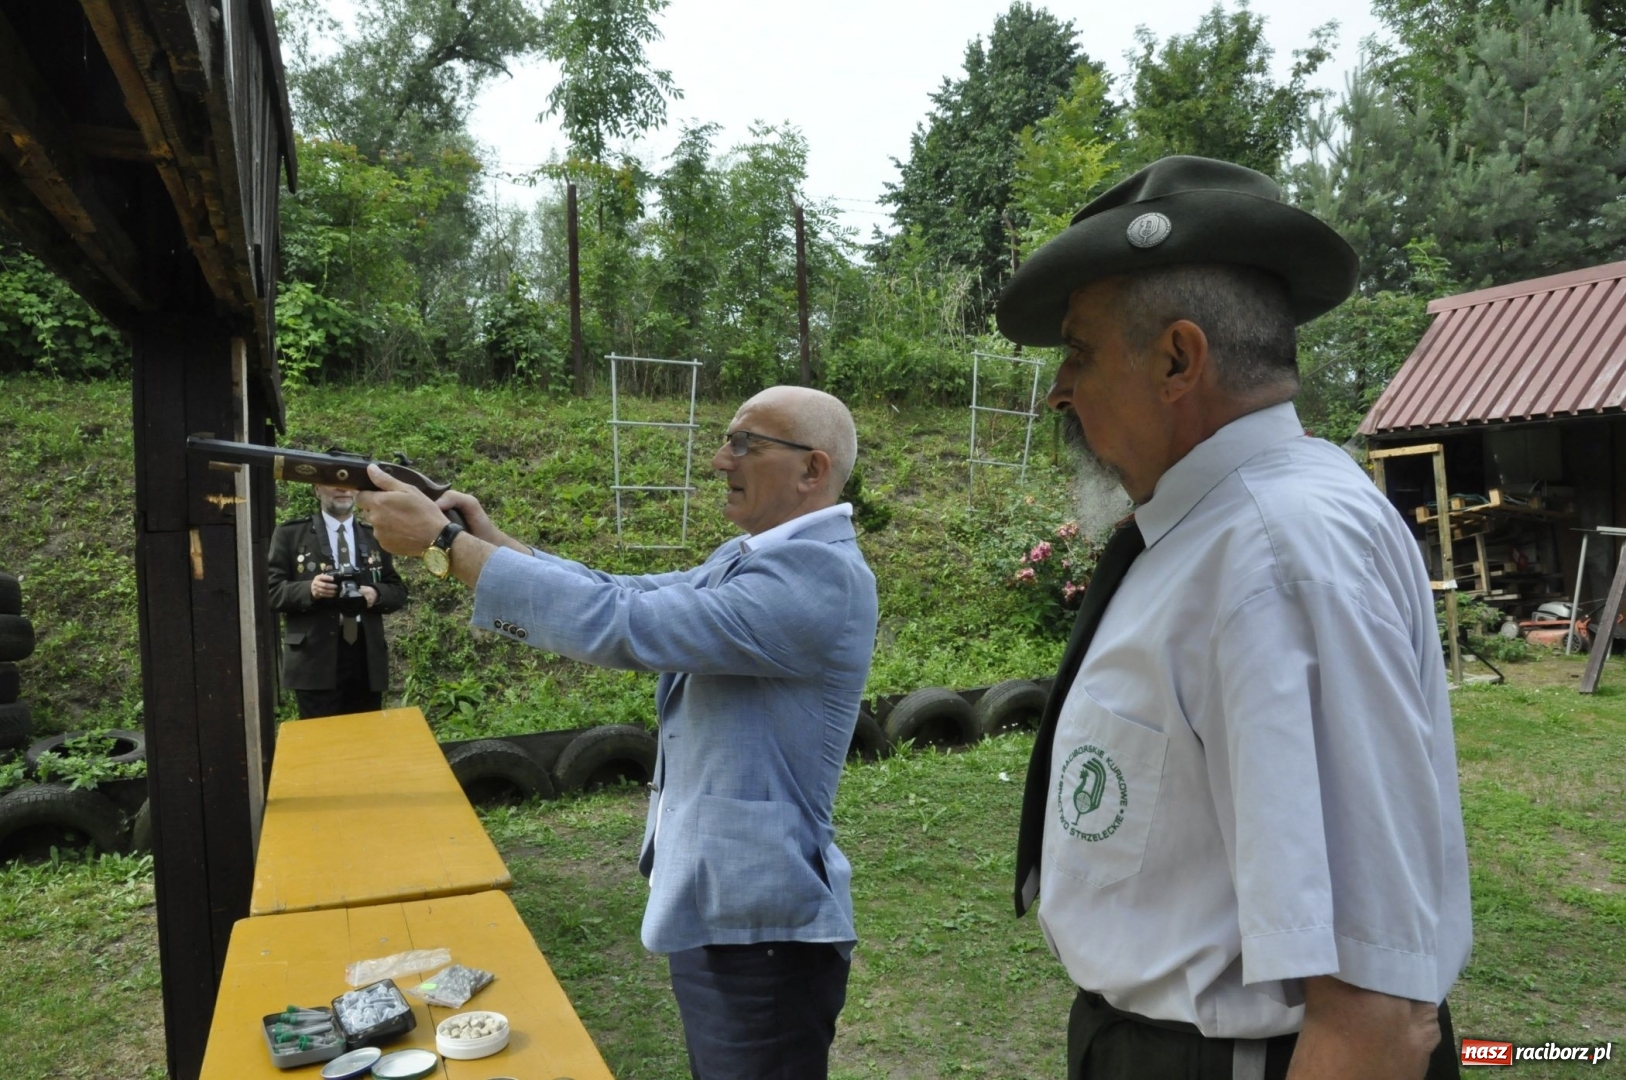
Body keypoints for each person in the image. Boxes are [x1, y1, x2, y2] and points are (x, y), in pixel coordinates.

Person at [996, 156, 1471, 1080]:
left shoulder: (1275, 556)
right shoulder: (1223, 529)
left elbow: (1374, 1018)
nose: (1058, 388)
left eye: (1079, 349)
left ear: (1178, 359)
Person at [358, 385, 878, 1080]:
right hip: (726, 908)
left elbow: (632, 627)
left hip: (763, 926)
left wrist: (446, 548)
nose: (721, 459)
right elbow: (626, 592)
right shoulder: (758, 556)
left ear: (812, 470)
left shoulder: (818, 575)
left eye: (746, 443)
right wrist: (488, 540)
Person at [267, 482, 407, 719]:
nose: (343, 490)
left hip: (365, 656)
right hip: (315, 657)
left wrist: (375, 594)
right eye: (333, 484)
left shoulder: (375, 534)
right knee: (321, 742)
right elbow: (271, 592)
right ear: (317, 489)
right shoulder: (290, 534)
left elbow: (398, 590)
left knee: (365, 737)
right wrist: (309, 590)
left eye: (349, 484)